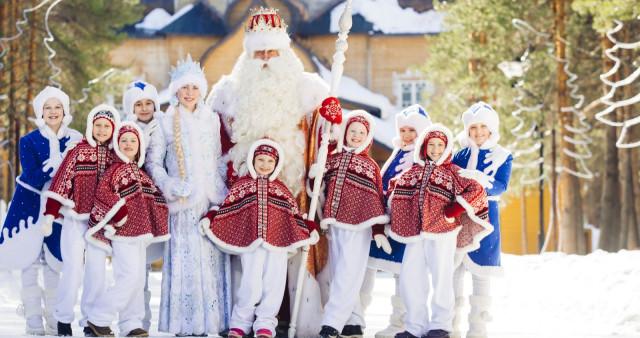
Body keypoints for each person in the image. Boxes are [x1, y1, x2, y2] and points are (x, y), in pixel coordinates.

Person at [206, 7, 340, 336]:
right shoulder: (227, 93)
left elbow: (328, 136)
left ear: (284, 52)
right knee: (247, 265)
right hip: (243, 199)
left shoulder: (309, 88)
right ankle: (241, 321)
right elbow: (213, 141)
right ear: (248, 54)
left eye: (271, 51)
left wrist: (330, 119)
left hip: (293, 194)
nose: (265, 58)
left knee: (287, 263)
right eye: (259, 51)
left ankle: (288, 319)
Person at [145, 54, 231, 336]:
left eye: (195, 88)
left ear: (202, 91)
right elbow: (154, 163)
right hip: (182, 204)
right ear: (176, 91)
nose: (190, 93)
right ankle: (185, 324)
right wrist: (170, 185)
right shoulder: (165, 121)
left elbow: (218, 158)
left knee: (210, 262)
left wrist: (221, 190)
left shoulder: (211, 120)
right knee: (187, 262)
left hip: (209, 202)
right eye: (184, 88)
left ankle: (214, 322)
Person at [199, 138, 320, 338]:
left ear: (277, 164)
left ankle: (265, 323)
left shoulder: (281, 189)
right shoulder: (242, 186)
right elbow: (228, 207)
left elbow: (293, 214)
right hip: (251, 243)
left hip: (278, 243)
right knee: (250, 283)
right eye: (260, 160)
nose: (265, 165)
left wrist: (309, 227)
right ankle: (241, 322)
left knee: (274, 283)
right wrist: (211, 217)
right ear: (252, 161)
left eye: (270, 161)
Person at [388, 124, 492, 338]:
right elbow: (394, 188)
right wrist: (400, 213)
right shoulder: (412, 173)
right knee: (410, 276)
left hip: (443, 232)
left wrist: (453, 210)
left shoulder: (453, 172)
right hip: (415, 233)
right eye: (431, 144)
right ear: (424, 146)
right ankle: (415, 326)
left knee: (442, 277)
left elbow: (477, 191)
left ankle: (441, 325)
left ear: (446, 147)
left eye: (440, 145)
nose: (436, 149)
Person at [0, 87, 82, 335]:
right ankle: (32, 313)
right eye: (48, 108)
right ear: (41, 112)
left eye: (57, 107)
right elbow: (32, 175)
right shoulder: (29, 141)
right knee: (30, 259)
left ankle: (53, 314)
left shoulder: (77, 139)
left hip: (61, 209)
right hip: (29, 206)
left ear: (65, 110)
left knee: (54, 261)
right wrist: (56, 165)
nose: (53, 112)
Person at [83, 121, 170, 337]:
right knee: (129, 277)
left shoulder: (140, 173)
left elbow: (154, 198)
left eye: (133, 140)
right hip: (123, 232)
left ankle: (131, 323)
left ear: (139, 146)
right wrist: (119, 212)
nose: (128, 144)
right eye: (124, 140)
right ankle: (99, 317)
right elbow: (102, 193)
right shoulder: (115, 170)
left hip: (141, 233)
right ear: (117, 144)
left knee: (138, 278)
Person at [41, 104, 120, 336]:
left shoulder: (117, 156)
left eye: (107, 126)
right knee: (73, 268)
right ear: (91, 126)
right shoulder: (77, 151)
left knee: (96, 271)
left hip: (101, 223)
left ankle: (90, 320)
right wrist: (50, 213)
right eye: (98, 125)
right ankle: (63, 319)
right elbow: (62, 182)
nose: (102, 130)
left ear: (113, 128)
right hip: (76, 218)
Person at [312, 111, 390, 338]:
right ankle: (353, 320)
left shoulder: (370, 165)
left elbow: (376, 198)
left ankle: (332, 322)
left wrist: (377, 230)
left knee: (348, 272)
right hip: (334, 224)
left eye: (362, 132)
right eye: (352, 131)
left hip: (359, 226)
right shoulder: (332, 160)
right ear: (345, 132)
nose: (356, 136)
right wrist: (316, 173)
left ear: (368, 136)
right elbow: (317, 189)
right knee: (339, 273)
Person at [359, 104, 431, 338]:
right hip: (385, 218)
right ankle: (356, 317)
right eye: (404, 130)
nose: (407, 135)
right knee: (368, 265)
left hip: (408, 222)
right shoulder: (398, 151)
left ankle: (399, 321)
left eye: (413, 131)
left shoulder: (424, 157)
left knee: (403, 272)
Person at [450, 102, 513, 338]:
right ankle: (450, 326)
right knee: (454, 271)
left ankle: (478, 330)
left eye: (482, 126)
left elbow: (500, 186)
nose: (477, 132)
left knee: (481, 272)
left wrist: (479, 179)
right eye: (473, 127)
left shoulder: (503, 155)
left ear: (491, 128)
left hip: (487, 220)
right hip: (459, 217)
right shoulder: (460, 155)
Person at [122, 80, 165, 332]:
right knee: (136, 266)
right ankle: (136, 321)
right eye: (139, 104)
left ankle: (144, 321)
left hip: (158, 200)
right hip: (134, 199)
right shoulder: (126, 130)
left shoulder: (164, 127)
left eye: (149, 102)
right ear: (131, 107)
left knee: (147, 262)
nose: (145, 108)